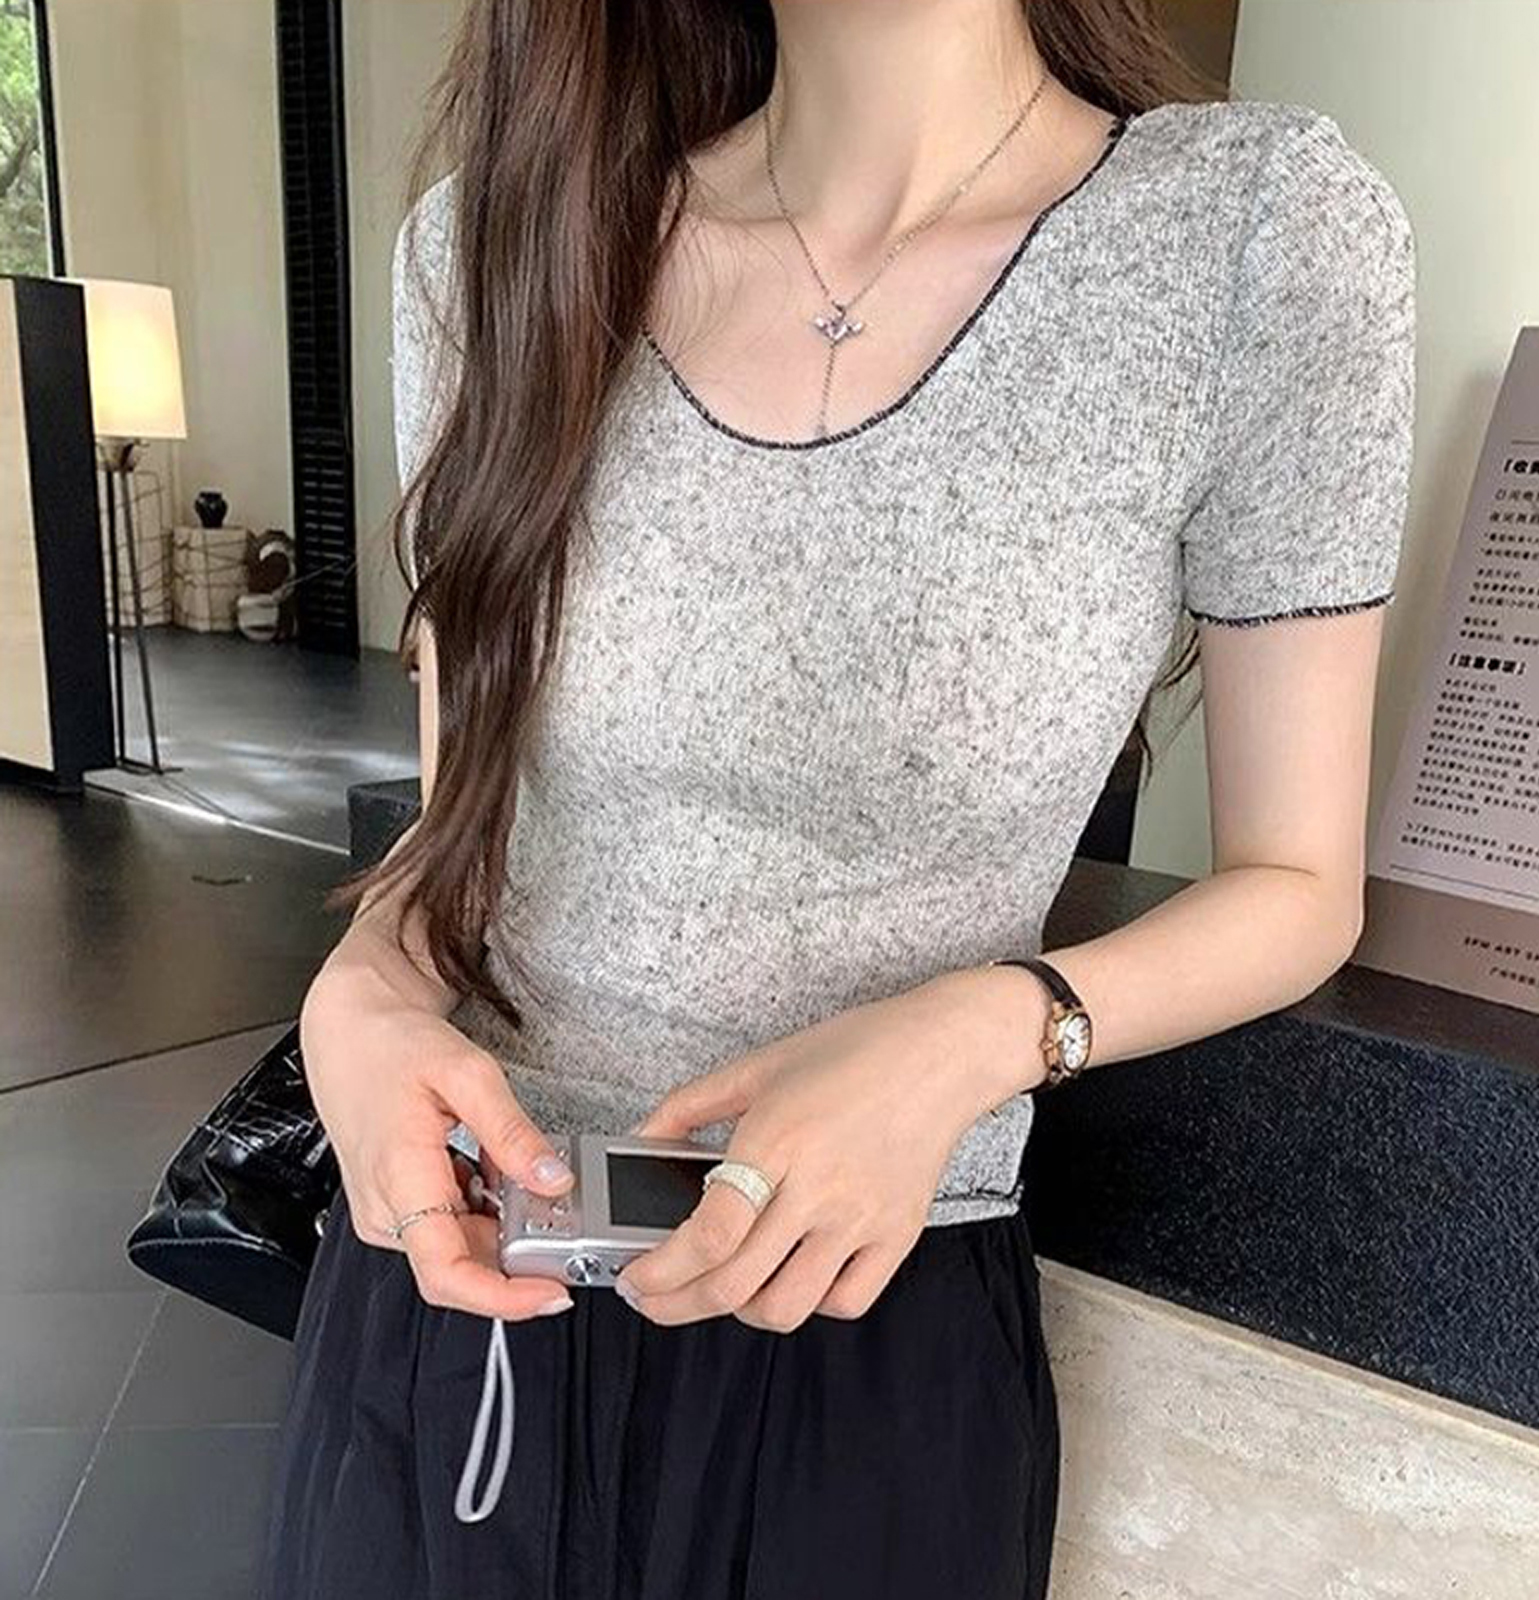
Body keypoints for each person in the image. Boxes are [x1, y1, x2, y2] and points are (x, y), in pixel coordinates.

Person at [258, 1, 1416, 1596]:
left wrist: (980, 1035)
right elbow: (462, 835)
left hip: (865, 1332)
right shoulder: (492, 245)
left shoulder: (1248, 237)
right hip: (463, 1304)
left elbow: (1298, 883)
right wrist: (357, 992)